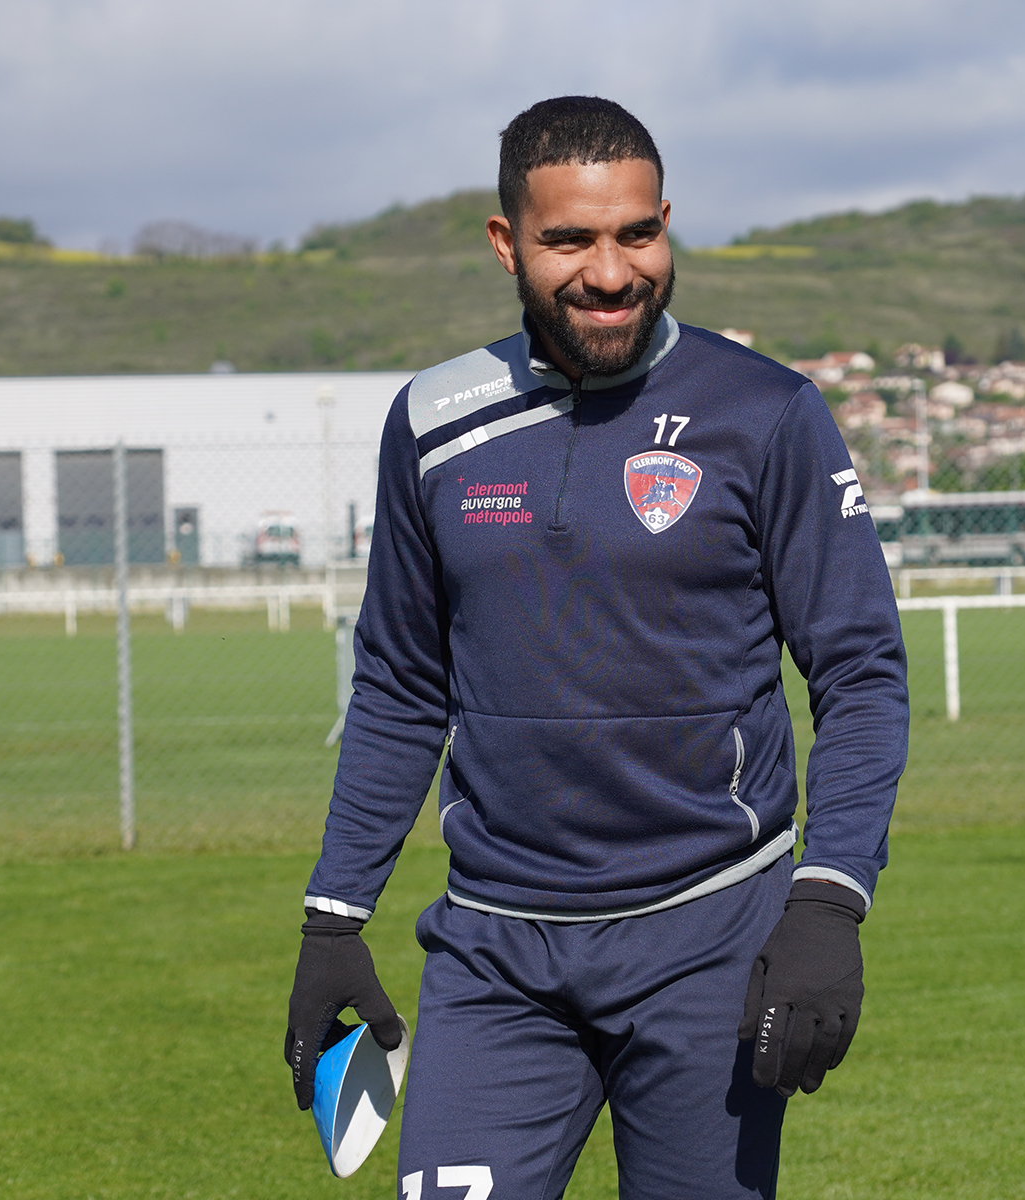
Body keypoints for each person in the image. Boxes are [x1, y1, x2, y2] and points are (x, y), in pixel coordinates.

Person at [285, 95, 909, 1200]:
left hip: (710, 937)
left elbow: (859, 671)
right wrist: (335, 916)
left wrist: (827, 898)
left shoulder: (765, 414)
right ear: (506, 242)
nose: (611, 272)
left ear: (667, 221)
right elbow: (397, 685)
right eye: (569, 239)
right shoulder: (434, 422)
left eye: (638, 234)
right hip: (495, 952)